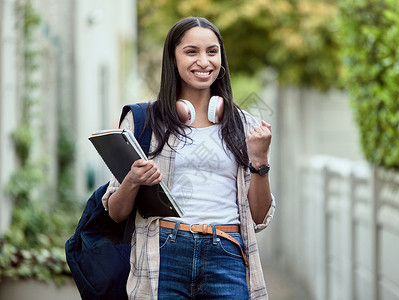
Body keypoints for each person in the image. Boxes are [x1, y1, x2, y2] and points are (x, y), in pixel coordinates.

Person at [102, 17, 275, 299]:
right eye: (191, 51)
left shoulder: (245, 126)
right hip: (163, 254)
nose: (204, 61)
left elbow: (258, 217)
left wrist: (260, 161)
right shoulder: (143, 121)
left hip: (226, 252)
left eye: (212, 51)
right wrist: (132, 180)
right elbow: (116, 212)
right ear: (173, 57)